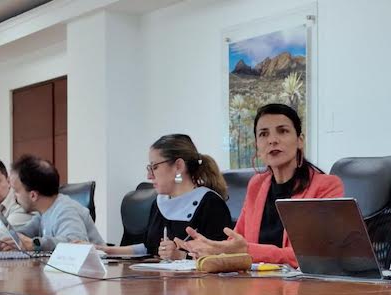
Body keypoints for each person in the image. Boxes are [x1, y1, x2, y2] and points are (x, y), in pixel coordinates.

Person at [178, 103, 344, 267]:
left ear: (300, 141)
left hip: (300, 282)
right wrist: (212, 249)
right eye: (264, 134)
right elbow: (236, 241)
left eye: (283, 131)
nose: (272, 140)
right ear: (257, 146)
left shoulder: (326, 186)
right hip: (256, 280)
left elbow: (315, 253)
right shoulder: (256, 185)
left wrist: (247, 251)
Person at [102, 134, 232, 260]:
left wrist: (180, 256)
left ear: (178, 166)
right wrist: (107, 250)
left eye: (155, 167)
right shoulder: (158, 203)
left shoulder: (211, 204)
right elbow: (149, 247)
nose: (149, 176)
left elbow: (222, 257)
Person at [0, 155, 104, 252]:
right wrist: (7, 240)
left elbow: (76, 243)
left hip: (97, 268)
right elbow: (25, 232)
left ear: (33, 195)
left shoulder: (66, 209)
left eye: (16, 191)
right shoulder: (43, 214)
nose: (14, 197)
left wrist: (34, 244)